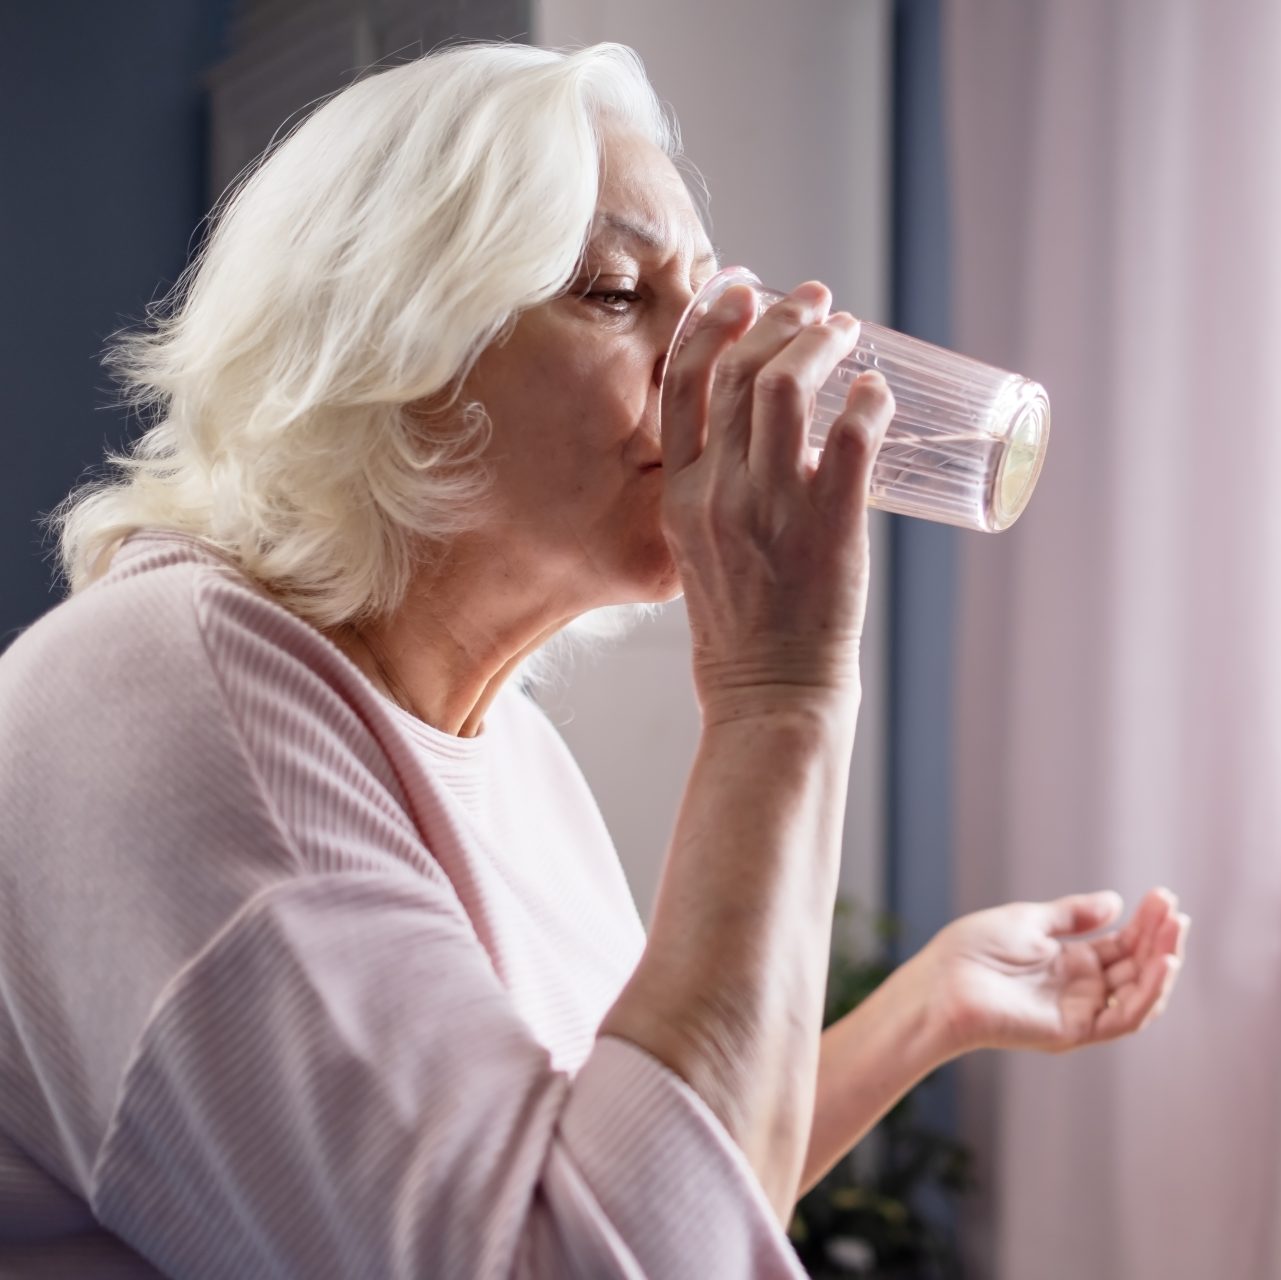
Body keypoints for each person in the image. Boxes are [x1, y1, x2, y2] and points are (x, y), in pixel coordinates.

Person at [0, 40, 1188, 1277]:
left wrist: (923, 1009)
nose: (717, 362)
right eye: (618, 293)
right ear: (389, 350)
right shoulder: (174, 699)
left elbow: (644, 1186)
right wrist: (779, 695)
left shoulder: (509, 750)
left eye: (711, 296)